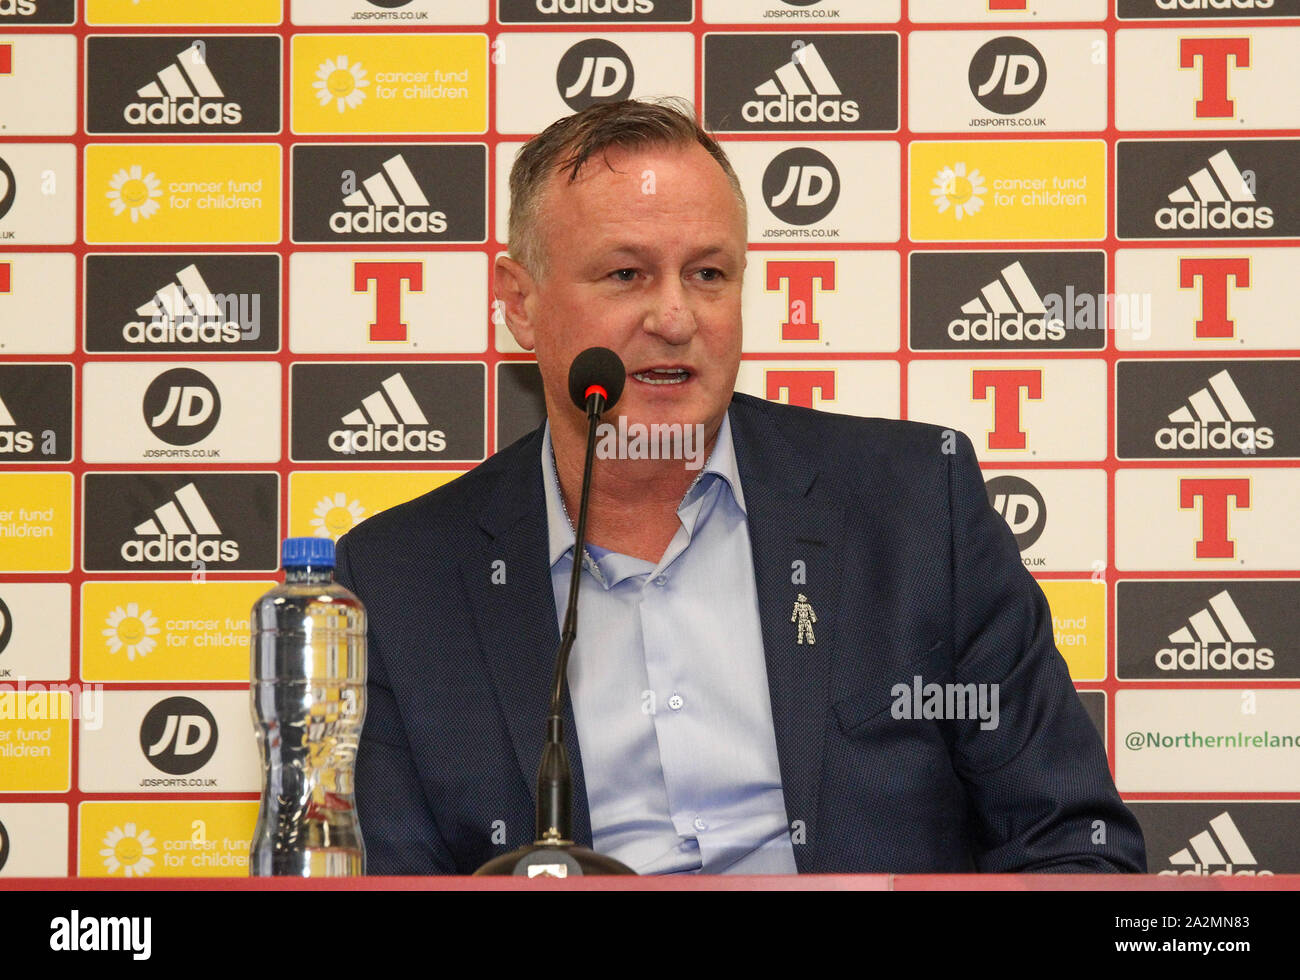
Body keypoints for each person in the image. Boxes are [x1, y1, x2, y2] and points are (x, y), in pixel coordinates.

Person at [335, 98, 1146, 875]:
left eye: (710, 274)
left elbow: (1072, 842)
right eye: (625, 274)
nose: (676, 317)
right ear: (520, 303)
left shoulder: (913, 511)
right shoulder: (402, 580)